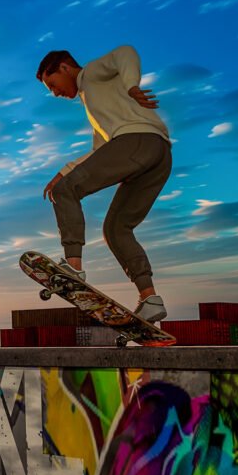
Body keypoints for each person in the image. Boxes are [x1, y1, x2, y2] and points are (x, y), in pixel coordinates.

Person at [35, 45, 172, 323]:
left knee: (66, 192)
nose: (55, 93)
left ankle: (73, 267)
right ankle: (150, 298)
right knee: (116, 229)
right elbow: (100, 150)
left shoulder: (91, 74)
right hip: (159, 155)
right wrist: (63, 172)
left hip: (136, 142)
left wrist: (132, 85)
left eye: (52, 84)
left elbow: (126, 53)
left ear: (64, 68)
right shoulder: (96, 105)